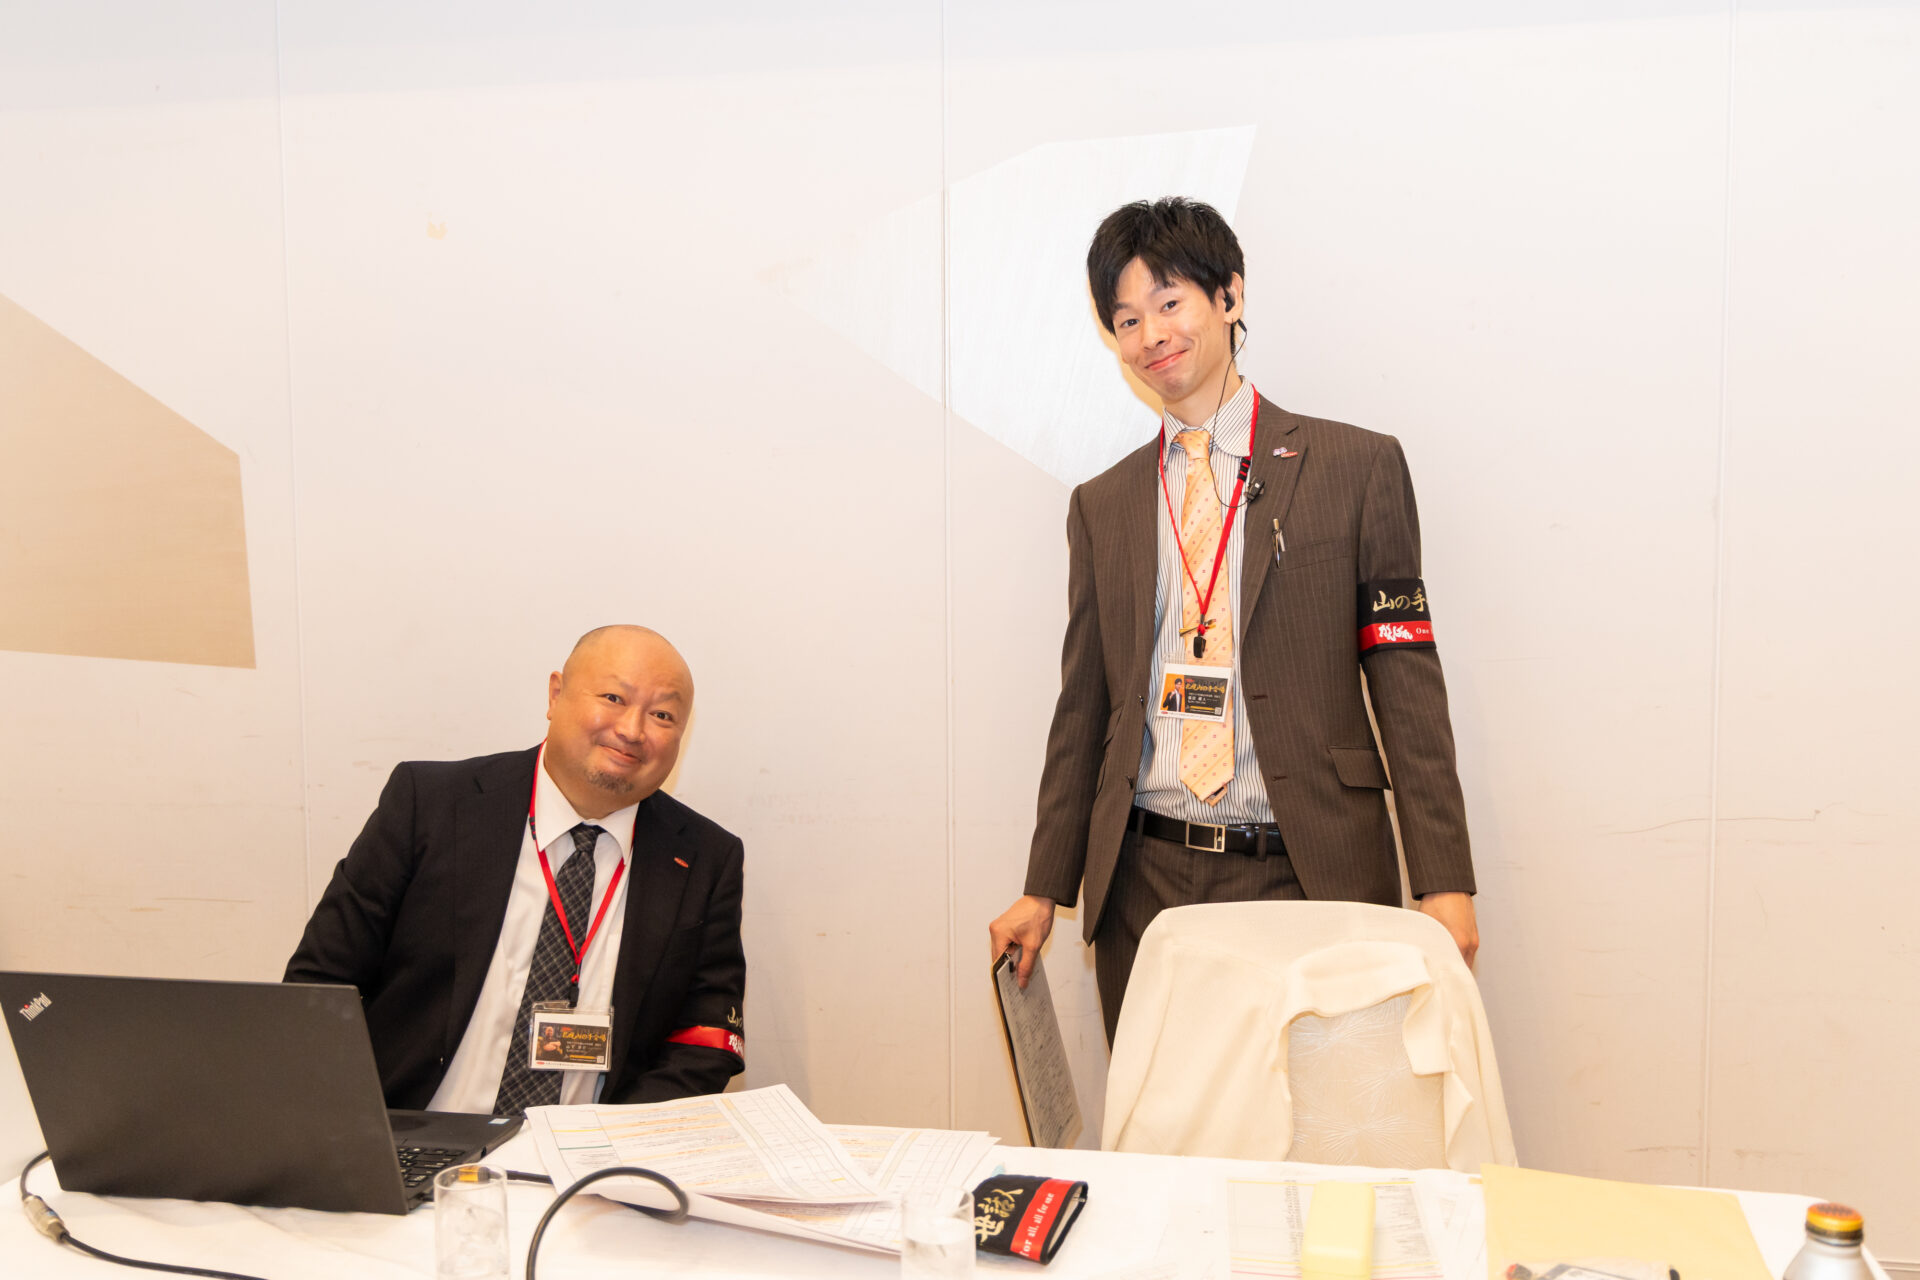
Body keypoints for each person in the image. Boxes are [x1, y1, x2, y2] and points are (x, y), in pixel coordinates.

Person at [988, 198, 1479, 1043]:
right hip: (1145, 885)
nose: (1152, 336)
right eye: (1126, 319)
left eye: (1169, 302)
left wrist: (1445, 882)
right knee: (1165, 1120)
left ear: (1230, 297)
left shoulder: (1356, 468)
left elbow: (1407, 684)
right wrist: (1044, 888)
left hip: (1308, 874)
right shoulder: (1102, 505)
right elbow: (1084, 710)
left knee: (1318, 1117)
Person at [285, 625, 745, 1113]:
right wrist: (353, 1128)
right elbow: (320, 985)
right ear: (556, 694)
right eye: (613, 698)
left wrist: (612, 1140)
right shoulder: (432, 805)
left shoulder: (705, 858)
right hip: (414, 1130)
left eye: (662, 715)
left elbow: (705, 1039)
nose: (632, 730)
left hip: (593, 1150)